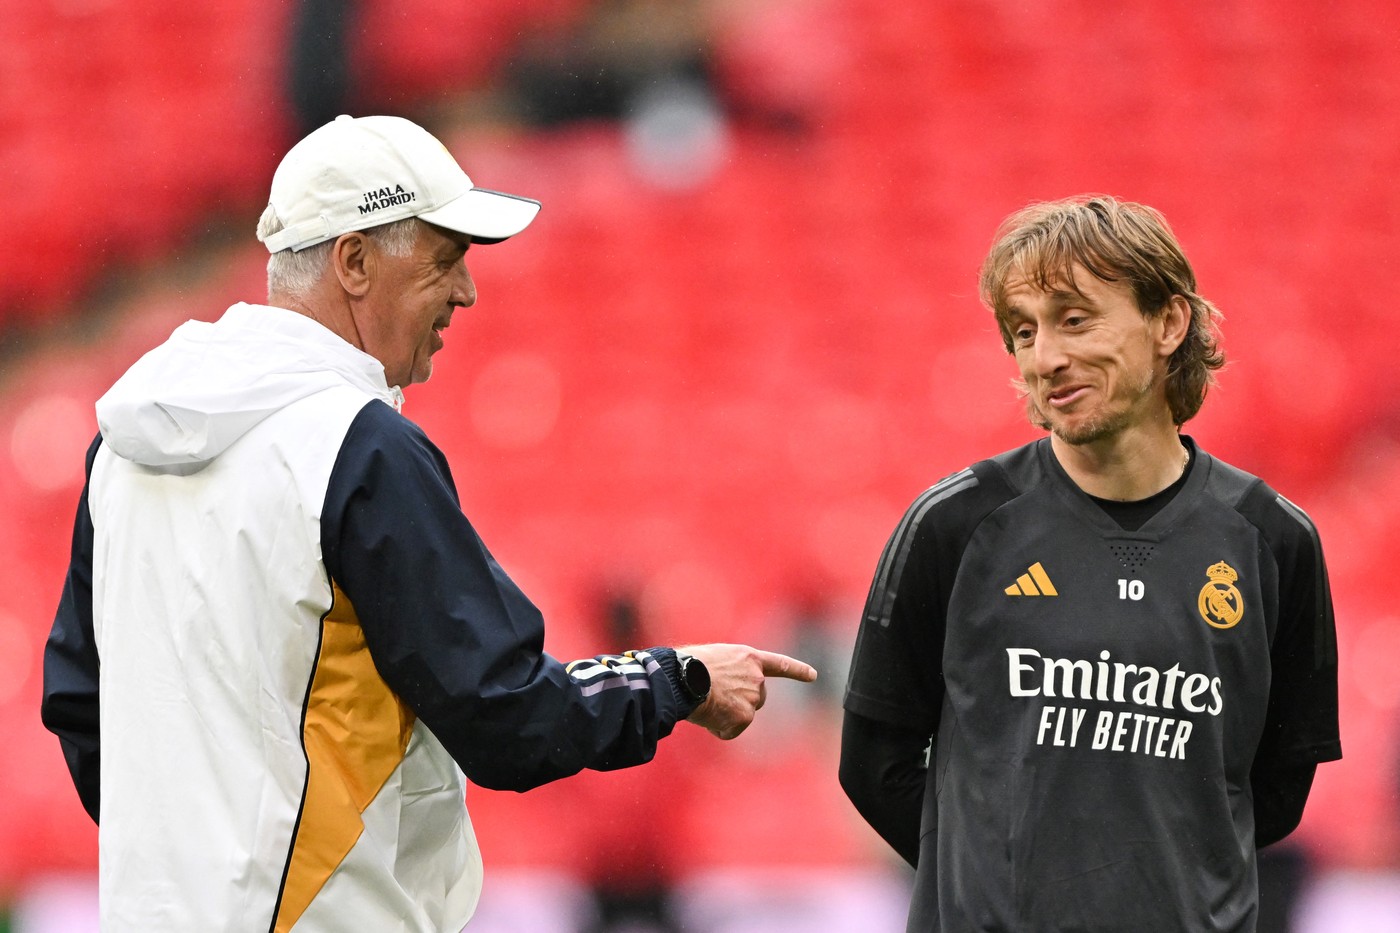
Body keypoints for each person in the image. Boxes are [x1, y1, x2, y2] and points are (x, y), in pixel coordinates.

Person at [40, 114, 816, 932]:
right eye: (444, 259)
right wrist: (677, 679)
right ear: (353, 259)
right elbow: (505, 715)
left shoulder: (121, 448)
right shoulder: (358, 446)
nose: (466, 291)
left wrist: (200, 864)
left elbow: (81, 705)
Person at [839, 195, 1340, 932]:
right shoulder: (953, 526)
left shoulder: (1274, 542)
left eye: (1074, 319)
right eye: (1023, 331)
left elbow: (1272, 791)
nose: (1045, 357)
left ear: (1170, 323)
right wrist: (999, 880)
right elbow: (874, 764)